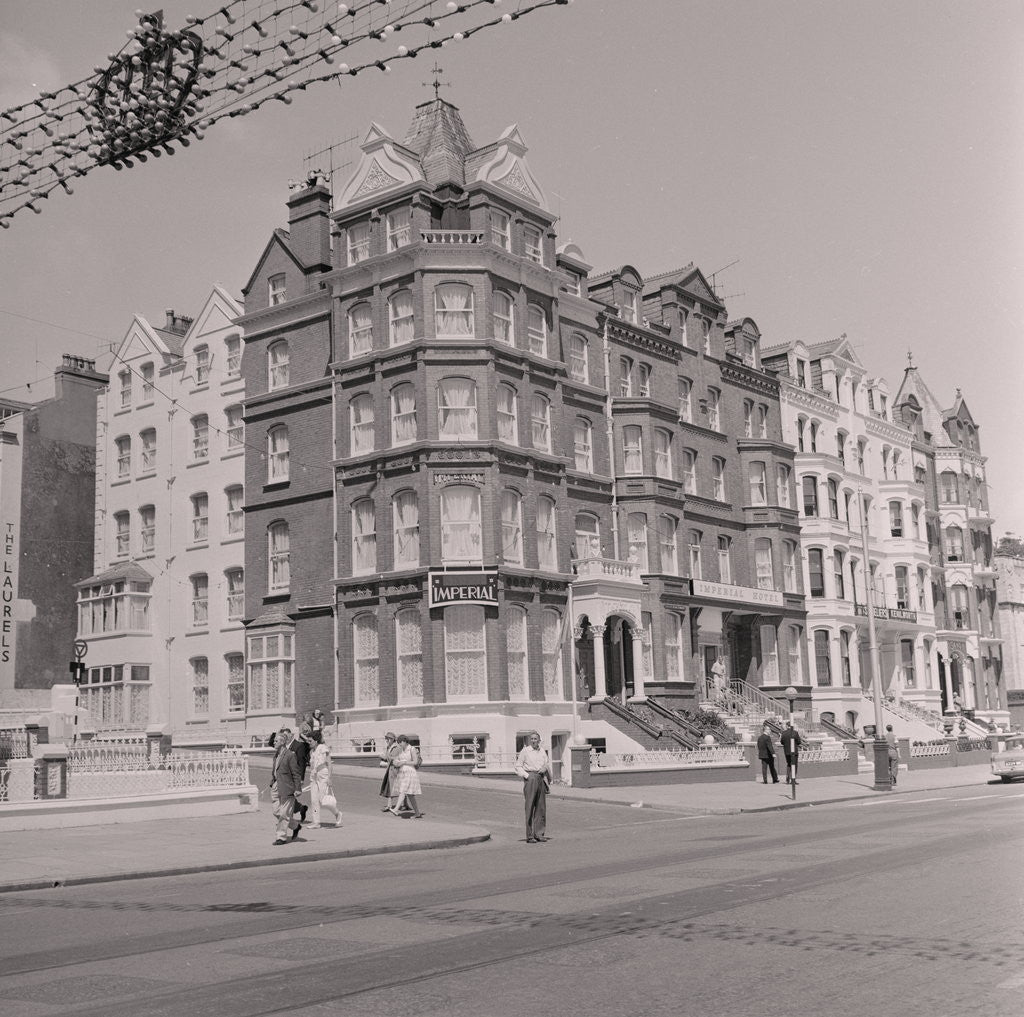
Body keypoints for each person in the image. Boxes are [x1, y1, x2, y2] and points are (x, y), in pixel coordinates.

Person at [513, 730, 551, 843]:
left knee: (541, 807)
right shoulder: (525, 751)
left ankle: (539, 834)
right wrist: (527, 776)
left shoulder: (542, 751)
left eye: (536, 739)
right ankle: (530, 836)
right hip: (531, 778)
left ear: (539, 740)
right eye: (532, 739)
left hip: (540, 778)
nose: (534, 741)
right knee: (530, 807)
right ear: (530, 740)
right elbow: (518, 766)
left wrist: (546, 769)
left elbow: (546, 763)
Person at [272, 731, 303, 845]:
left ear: (282, 742)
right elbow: (275, 770)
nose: (273, 743)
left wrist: (298, 788)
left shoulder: (290, 755)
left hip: (287, 788)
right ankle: (295, 826)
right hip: (276, 787)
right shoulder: (276, 755)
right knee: (276, 812)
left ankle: (281, 837)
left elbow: (296, 773)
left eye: (276, 741)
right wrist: (272, 782)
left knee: (284, 814)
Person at [306, 730, 337, 828]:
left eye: (310, 741)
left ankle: (337, 814)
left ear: (316, 740)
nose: (309, 743)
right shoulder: (312, 751)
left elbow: (329, 763)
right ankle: (316, 822)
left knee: (323, 800)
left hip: (323, 775)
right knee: (314, 800)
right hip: (314, 776)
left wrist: (329, 778)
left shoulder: (323, 748)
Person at [388, 734, 424, 818]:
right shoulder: (401, 750)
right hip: (402, 773)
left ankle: (396, 809)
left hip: (410, 772)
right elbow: (397, 760)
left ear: (404, 741)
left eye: (400, 742)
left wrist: (404, 762)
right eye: (398, 743)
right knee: (410, 794)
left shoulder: (412, 749)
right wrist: (396, 762)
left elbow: (415, 762)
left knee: (403, 790)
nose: (399, 744)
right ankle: (417, 813)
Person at [378, 731, 400, 812]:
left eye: (388, 738)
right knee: (390, 787)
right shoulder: (389, 747)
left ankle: (403, 804)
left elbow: (394, 758)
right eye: (386, 739)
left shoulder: (396, 747)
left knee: (398, 788)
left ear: (392, 739)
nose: (387, 740)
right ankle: (389, 805)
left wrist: (385, 757)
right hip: (390, 769)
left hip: (395, 770)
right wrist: (383, 757)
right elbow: (389, 758)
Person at [779, 720, 802, 785]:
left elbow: (782, 742)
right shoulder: (795, 732)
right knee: (794, 765)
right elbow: (799, 742)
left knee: (789, 764)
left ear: (787, 726)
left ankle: (787, 779)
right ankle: (793, 779)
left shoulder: (784, 733)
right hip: (794, 752)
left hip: (787, 752)